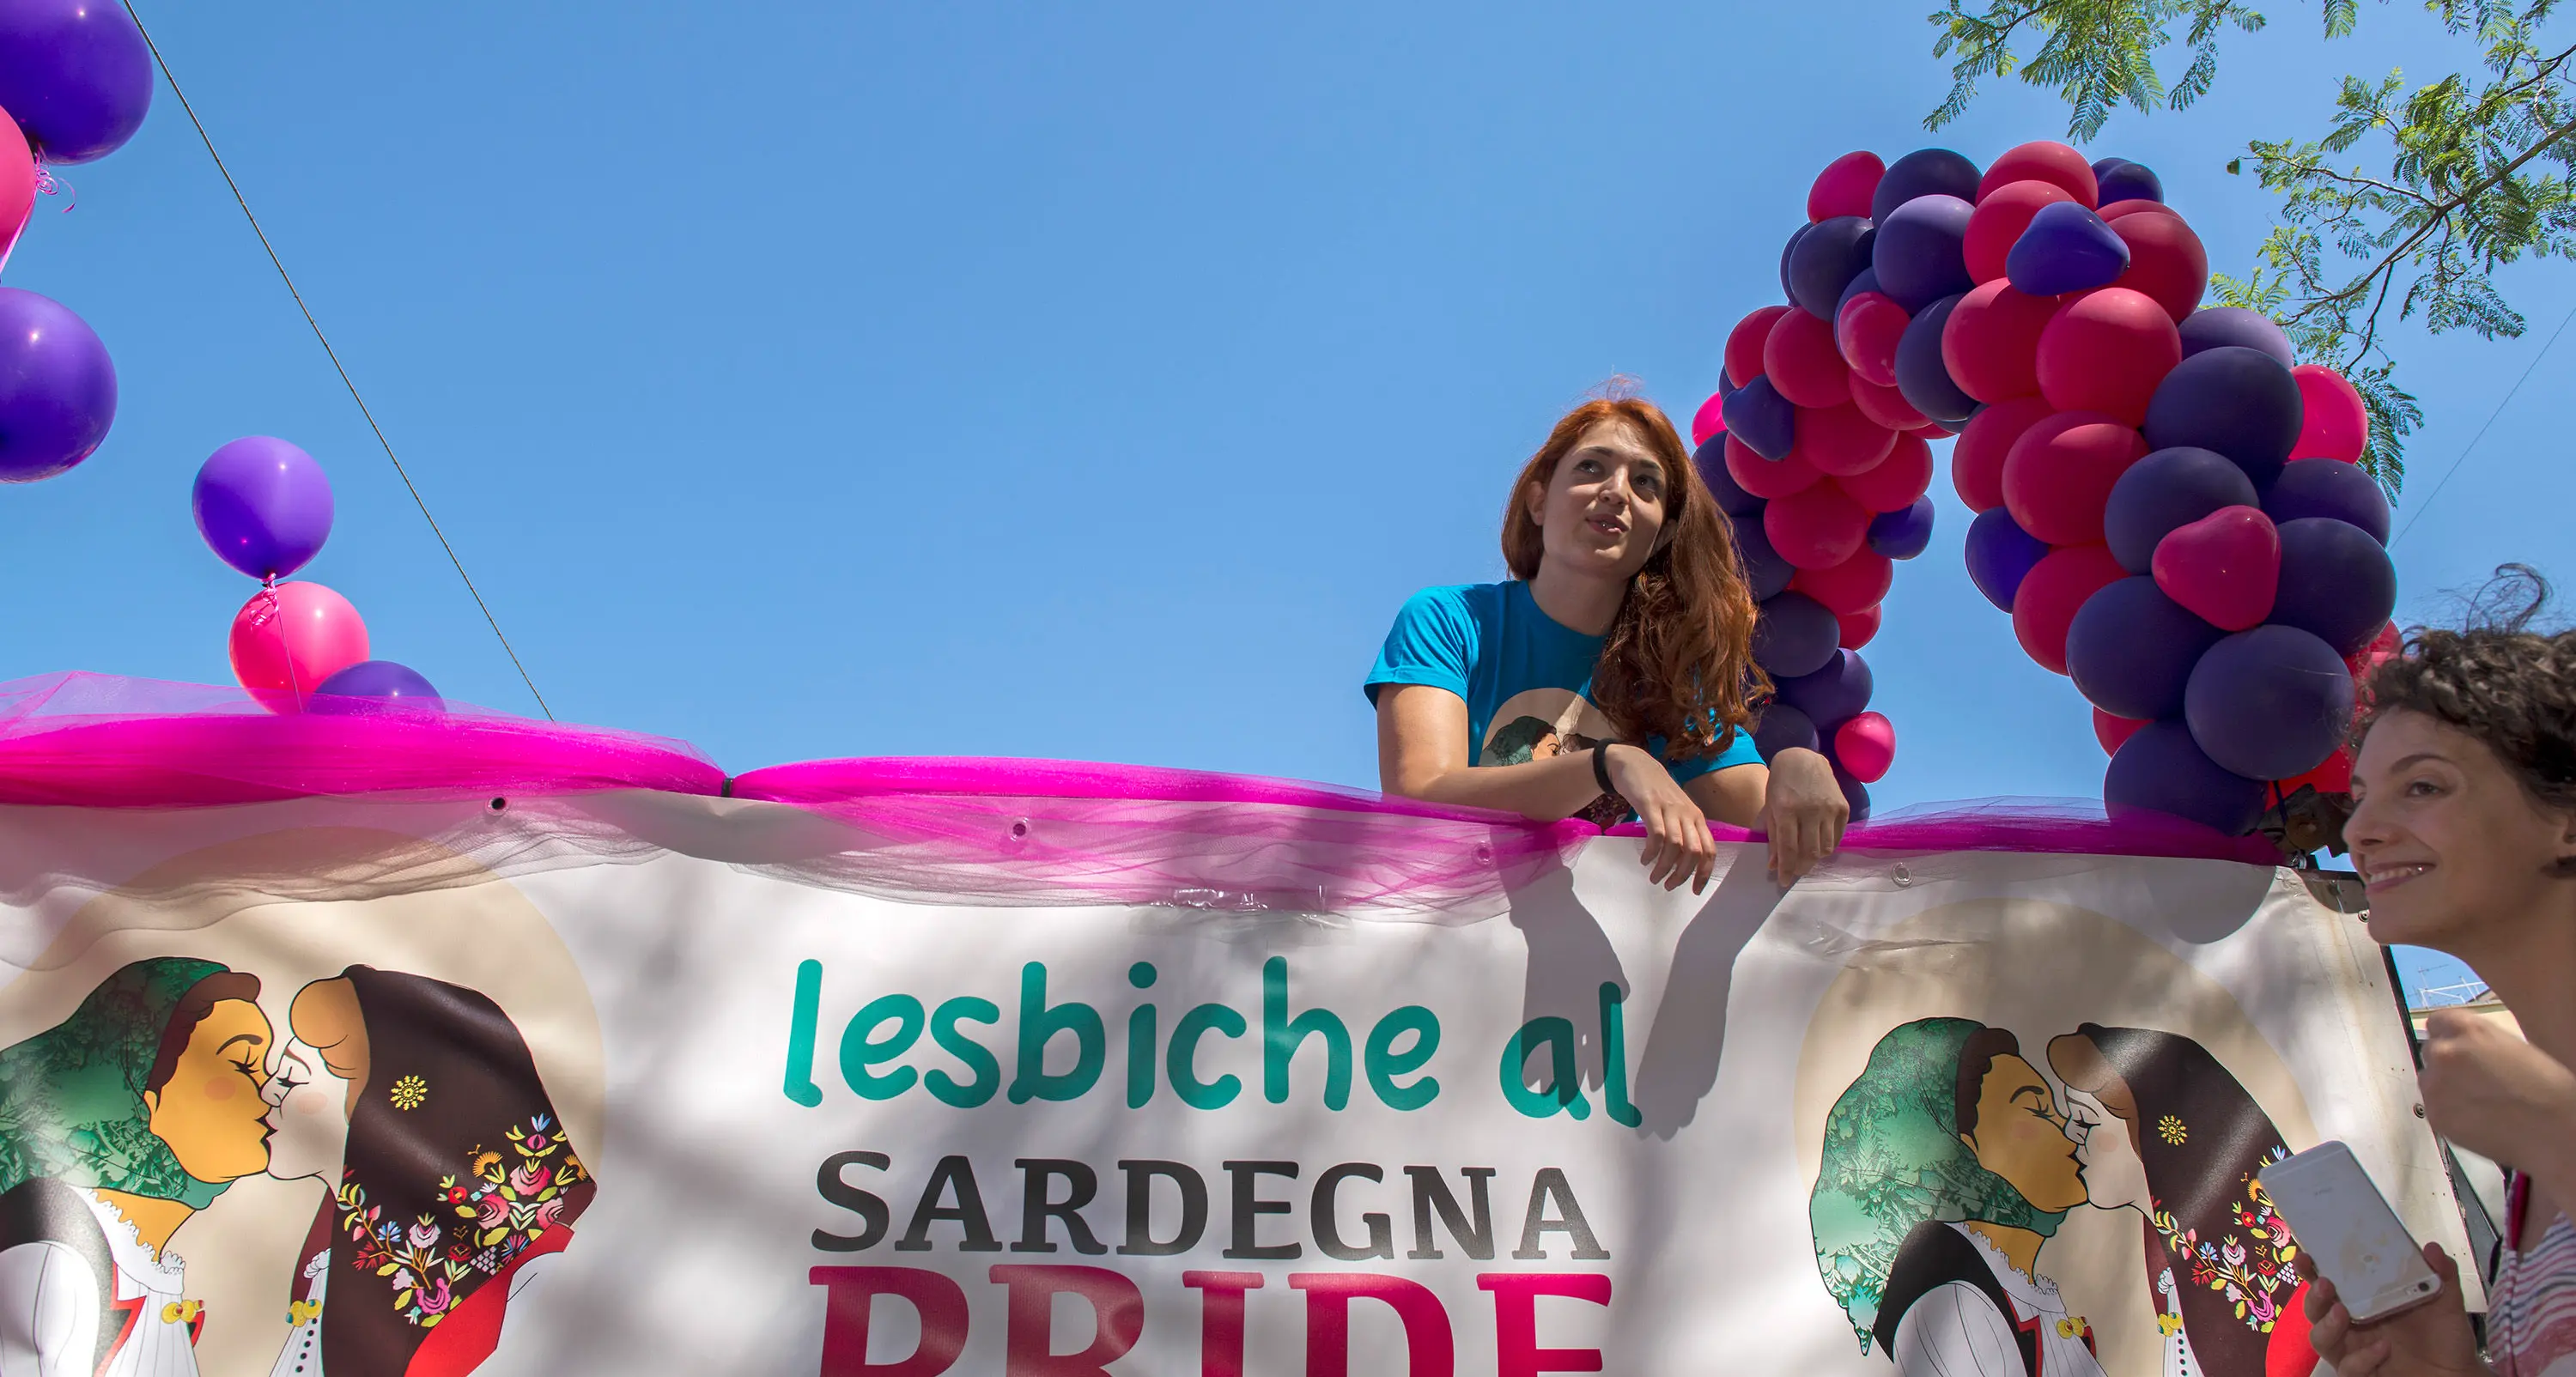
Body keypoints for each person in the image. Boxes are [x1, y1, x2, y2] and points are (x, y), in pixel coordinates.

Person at [1367, 391, 1848, 891]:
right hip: (1440, 932)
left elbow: (1763, 831)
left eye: (1646, 483)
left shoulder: (1670, 680)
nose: (1617, 491)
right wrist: (1611, 763)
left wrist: (1799, 763)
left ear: (1661, 534)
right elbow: (1418, 795)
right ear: (1538, 501)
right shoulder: (1447, 618)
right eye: (1591, 468)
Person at [2311, 566, 2576, 1377]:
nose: (2362, 830)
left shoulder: (2539, 1128)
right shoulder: (2530, 1169)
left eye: (2421, 786)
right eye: (2358, 798)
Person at [259, 967, 592, 1377]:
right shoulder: (330, 1268)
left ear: (380, 1105)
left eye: (291, 1076)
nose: (267, 1092)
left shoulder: (529, 1283)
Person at [0, 956, 273, 1377]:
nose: (271, 1092)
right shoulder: (55, 1258)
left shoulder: (145, 1269)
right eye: (241, 1063)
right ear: (142, 1090)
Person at [1811, 1017, 2104, 1377]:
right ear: (1959, 1152)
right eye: (2038, 1110)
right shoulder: (1951, 1302)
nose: (2071, 1132)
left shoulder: (2017, 1290)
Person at [2048, 1024, 2314, 1377]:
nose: (2070, 1137)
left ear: (2150, 1130)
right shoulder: (2173, 1261)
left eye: (2084, 1120)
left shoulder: (2271, 1279)